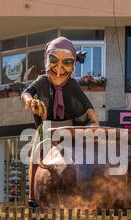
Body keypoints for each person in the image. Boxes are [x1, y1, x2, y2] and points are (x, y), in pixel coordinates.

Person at [21, 36, 100, 206]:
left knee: (84, 159)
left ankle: (85, 190)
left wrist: (95, 125)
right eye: (53, 60)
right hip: (45, 127)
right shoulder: (42, 81)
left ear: (73, 65)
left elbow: (89, 109)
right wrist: (29, 100)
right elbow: (27, 91)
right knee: (36, 156)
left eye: (67, 62)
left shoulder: (73, 85)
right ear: (46, 60)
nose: (59, 69)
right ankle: (33, 197)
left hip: (69, 129)